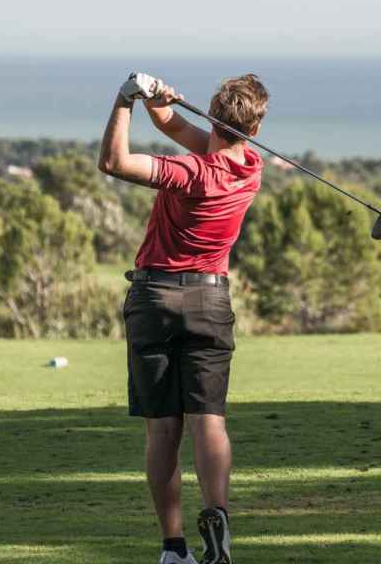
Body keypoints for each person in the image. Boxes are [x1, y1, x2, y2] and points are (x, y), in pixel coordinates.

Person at [98, 72, 268, 564]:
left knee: (163, 429)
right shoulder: (251, 167)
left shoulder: (189, 173)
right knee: (208, 420)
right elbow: (180, 129)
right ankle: (218, 516)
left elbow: (114, 162)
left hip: (155, 298)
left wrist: (125, 99)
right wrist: (158, 103)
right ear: (255, 130)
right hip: (210, 301)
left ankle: (173, 549)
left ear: (213, 115)